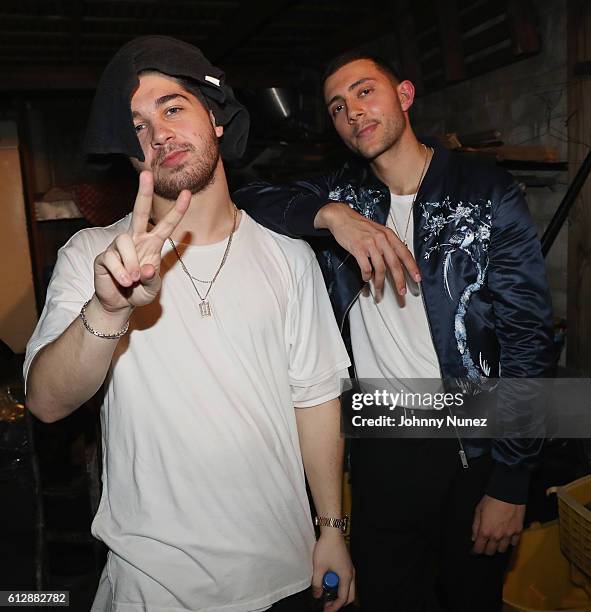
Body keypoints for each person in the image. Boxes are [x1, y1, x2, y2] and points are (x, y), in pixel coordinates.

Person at [24, 36, 355, 612]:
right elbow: (47, 402)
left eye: (173, 108)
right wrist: (108, 309)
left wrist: (332, 528)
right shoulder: (93, 253)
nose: (158, 135)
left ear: (218, 118)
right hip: (152, 586)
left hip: (283, 570)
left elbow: (316, 398)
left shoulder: (289, 257)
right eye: (138, 127)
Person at [234, 51, 554, 611]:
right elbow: (247, 200)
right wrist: (333, 216)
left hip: (472, 442)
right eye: (338, 106)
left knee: (472, 598)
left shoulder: (484, 189)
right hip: (382, 444)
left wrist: (511, 480)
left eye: (364, 92)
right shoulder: (342, 192)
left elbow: (529, 339)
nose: (353, 112)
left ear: (403, 95)